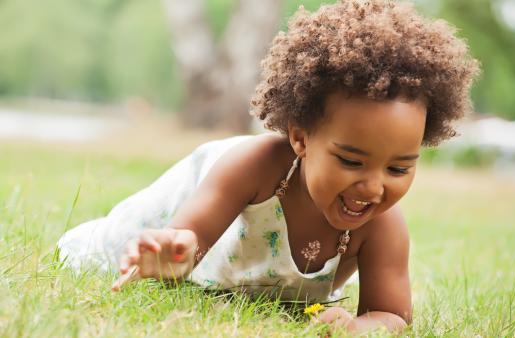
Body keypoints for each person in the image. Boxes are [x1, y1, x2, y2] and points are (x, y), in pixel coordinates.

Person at [57, 0, 479, 334]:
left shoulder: (383, 224)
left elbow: (392, 314)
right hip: (171, 211)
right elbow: (186, 241)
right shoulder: (255, 166)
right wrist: (173, 252)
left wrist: (361, 326)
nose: (373, 187)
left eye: (399, 169)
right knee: (113, 252)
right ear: (300, 138)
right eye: (351, 160)